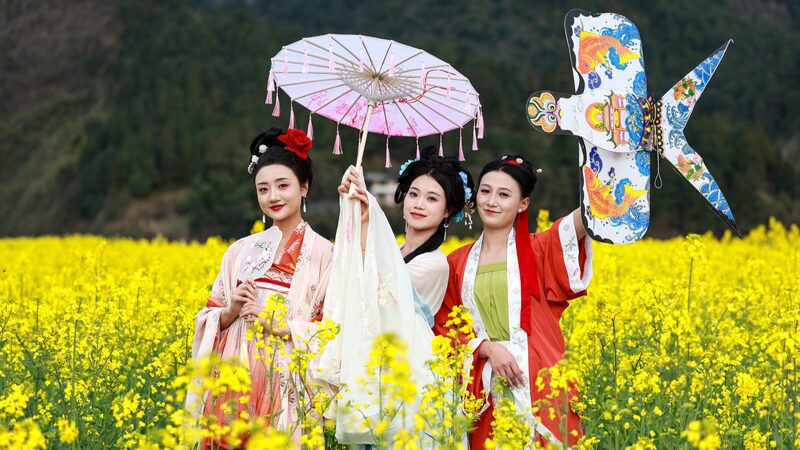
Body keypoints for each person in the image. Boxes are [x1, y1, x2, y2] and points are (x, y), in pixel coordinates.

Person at [433, 154, 593, 448]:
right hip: (486, 388)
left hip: (540, 379)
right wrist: (486, 348)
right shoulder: (456, 262)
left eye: (504, 194)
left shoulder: (538, 249)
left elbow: (586, 217)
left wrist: (610, 164)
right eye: (485, 191)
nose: (491, 201)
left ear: (523, 204)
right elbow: (444, 327)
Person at [187, 128, 333, 448]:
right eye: (263, 189)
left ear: (304, 187)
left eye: (283, 186)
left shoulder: (325, 254)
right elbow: (210, 316)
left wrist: (281, 326)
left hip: (284, 379)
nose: (273, 196)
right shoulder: (238, 251)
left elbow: (331, 329)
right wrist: (229, 311)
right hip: (232, 377)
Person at [319, 145, 474, 445]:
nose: (419, 204)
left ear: (448, 211)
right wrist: (357, 212)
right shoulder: (394, 251)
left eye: (432, 198)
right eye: (414, 194)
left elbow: (379, 290)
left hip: (414, 379)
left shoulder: (435, 262)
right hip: (380, 369)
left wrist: (367, 218)